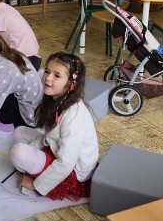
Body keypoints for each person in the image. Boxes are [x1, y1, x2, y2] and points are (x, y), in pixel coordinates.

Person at [8, 52, 98, 201]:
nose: (48, 78)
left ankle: (36, 182)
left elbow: (66, 163)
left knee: (17, 151)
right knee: (19, 132)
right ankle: (33, 167)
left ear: (71, 83)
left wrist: (36, 185)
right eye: (47, 71)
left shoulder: (73, 117)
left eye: (57, 75)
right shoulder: (57, 99)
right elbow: (49, 136)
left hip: (73, 172)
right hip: (56, 149)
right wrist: (32, 151)